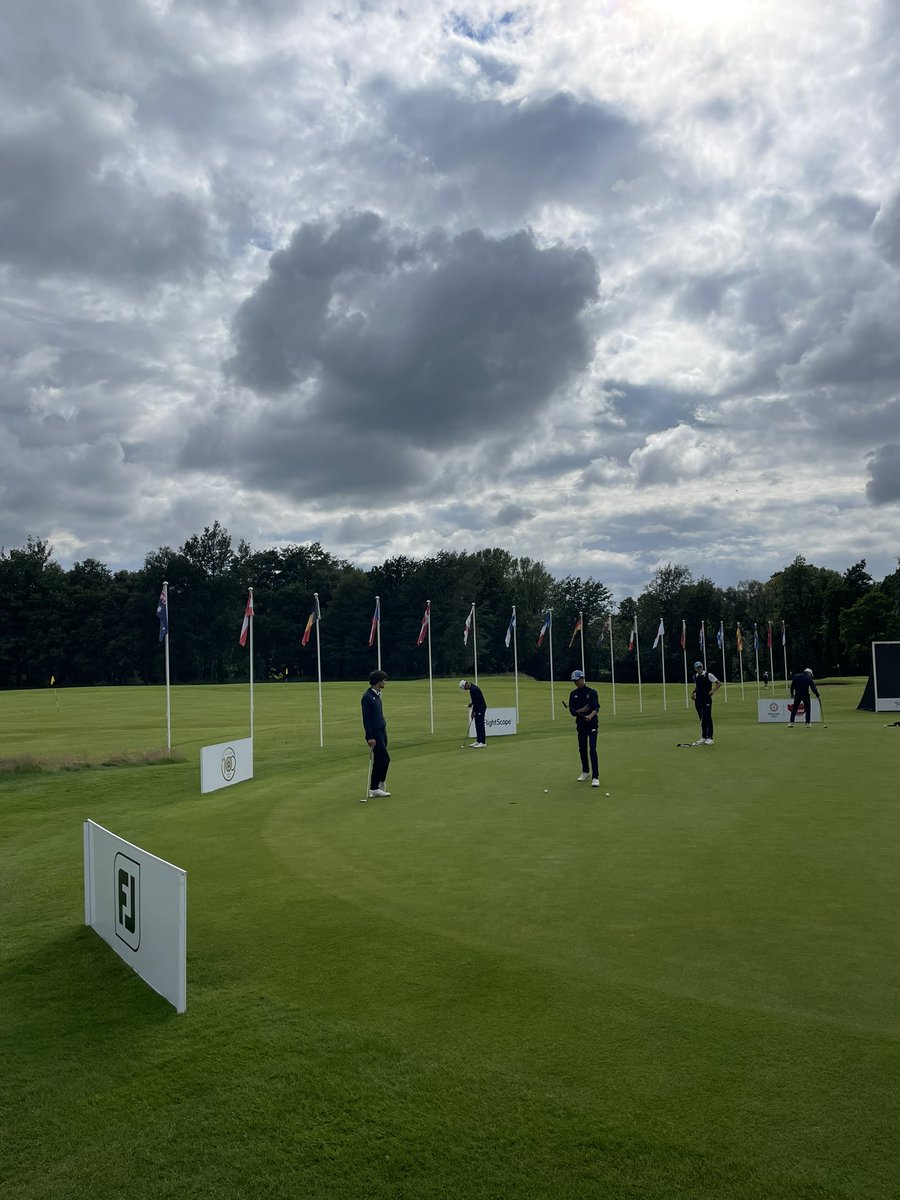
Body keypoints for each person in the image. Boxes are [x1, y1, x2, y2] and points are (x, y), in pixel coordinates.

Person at [361, 669, 390, 799]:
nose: (385, 682)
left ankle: (375, 787)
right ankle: (376, 786)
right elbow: (366, 719)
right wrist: (370, 737)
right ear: (378, 681)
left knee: (380, 760)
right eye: (383, 680)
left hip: (382, 730)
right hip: (375, 733)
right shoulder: (367, 697)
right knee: (385, 758)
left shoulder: (378, 694)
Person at [568, 669, 600, 787]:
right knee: (582, 749)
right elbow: (572, 711)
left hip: (592, 725)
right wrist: (580, 711)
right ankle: (585, 771)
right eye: (574, 681)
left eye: (578, 680)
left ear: (582, 679)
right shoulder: (573, 694)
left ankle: (595, 777)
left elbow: (596, 707)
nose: (576, 682)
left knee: (592, 749)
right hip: (581, 726)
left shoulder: (592, 692)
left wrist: (590, 716)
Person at [691, 661, 721, 745]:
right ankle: (704, 737)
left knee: (707, 717)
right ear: (695, 669)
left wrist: (713, 691)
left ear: (702, 667)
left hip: (706, 699)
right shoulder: (695, 676)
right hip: (698, 700)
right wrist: (693, 693)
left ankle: (710, 738)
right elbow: (698, 686)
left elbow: (718, 683)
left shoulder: (708, 675)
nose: (699, 669)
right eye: (697, 667)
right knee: (702, 718)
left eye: (700, 667)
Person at [459, 679, 487, 747]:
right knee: (477, 724)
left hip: (481, 708)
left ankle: (482, 742)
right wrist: (470, 705)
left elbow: (477, 702)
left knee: (480, 725)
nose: (465, 690)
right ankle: (478, 741)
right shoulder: (472, 688)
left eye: (464, 688)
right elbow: (474, 701)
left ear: (466, 685)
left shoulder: (473, 689)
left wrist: (473, 712)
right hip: (478, 707)